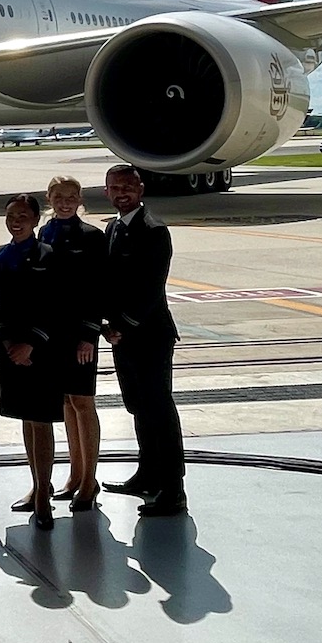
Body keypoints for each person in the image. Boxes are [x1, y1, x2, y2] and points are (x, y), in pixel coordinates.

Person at [101, 164, 188, 517]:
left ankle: (173, 487)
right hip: (123, 335)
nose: (121, 192)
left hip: (149, 334)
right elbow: (107, 282)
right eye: (114, 187)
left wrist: (123, 324)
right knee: (137, 407)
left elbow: (151, 288)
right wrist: (106, 324)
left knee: (159, 410)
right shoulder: (112, 228)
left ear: (140, 188)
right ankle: (148, 474)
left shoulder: (154, 230)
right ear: (106, 192)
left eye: (127, 186)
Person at [0, 193, 65, 531]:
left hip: (40, 350)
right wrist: (5, 341)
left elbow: (56, 303)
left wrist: (30, 344)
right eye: (11, 215)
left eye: (22, 215)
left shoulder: (48, 255)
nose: (15, 220)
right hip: (10, 348)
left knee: (41, 420)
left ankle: (44, 496)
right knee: (26, 420)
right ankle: (36, 486)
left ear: (34, 220)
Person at [41, 175, 107, 509]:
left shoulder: (92, 237)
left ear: (80, 198)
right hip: (53, 334)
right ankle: (75, 473)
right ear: (49, 197)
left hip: (79, 334)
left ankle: (89, 480)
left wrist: (89, 335)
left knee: (83, 402)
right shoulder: (45, 233)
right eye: (58, 196)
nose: (65, 201)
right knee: (66, 402)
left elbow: (98, 290)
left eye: (71, 196)